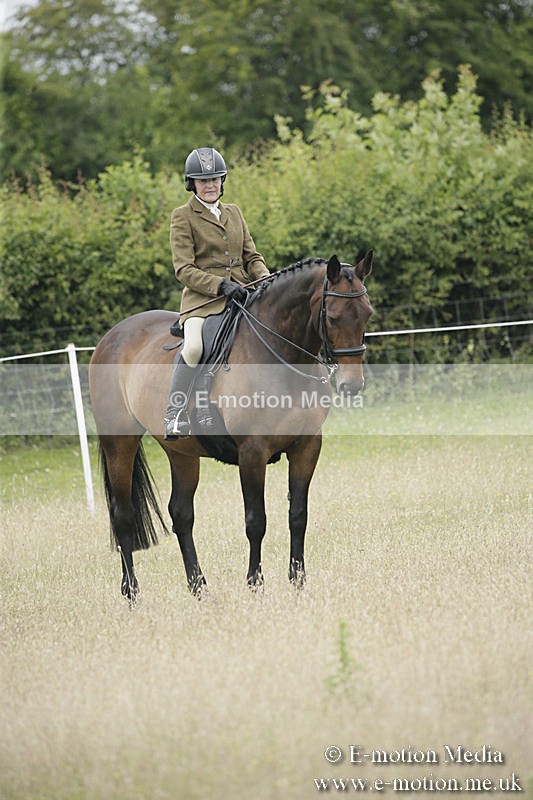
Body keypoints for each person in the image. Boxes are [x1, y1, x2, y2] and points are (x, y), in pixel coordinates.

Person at [164, 146, 270, 439]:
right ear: (192, 183)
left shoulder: (234, 212)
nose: (210, 185)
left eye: (215, 179)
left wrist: (265, 279)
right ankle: (175, 413)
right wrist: (220, 285)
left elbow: (252, 256)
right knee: (195, 347)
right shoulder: (182, 216)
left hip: (242, 295)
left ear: (222, 181)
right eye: (203, 181)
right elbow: (183, 269)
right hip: (203, 301)